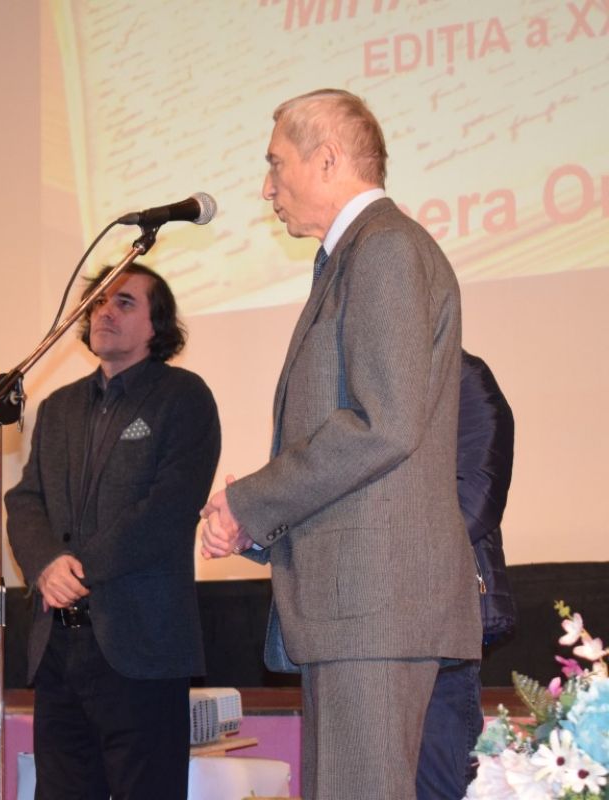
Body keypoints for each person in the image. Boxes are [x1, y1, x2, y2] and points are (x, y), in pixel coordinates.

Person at [199, 89, 482, 799]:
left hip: (373, 604)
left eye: (276, 164)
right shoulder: (357, 256)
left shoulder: (385, 249)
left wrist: (251, 502)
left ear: (326, 159)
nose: (267, 188)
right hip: (353, 607)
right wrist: (255, 521)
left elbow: (383, 423)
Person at [6, 264, 221, 799]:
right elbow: (25, 499)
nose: (105, 311)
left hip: (141, 646)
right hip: (59, 647)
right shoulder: (58, 407)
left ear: (157, 325)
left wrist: (77, 569)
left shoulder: (183, 397)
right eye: (98, 301)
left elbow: (168, 509)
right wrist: (45, 566)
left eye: (124, 302)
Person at [416, 350, 516, 800]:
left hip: (445, 618)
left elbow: (479, 496)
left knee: (440, 779)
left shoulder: (463, 377)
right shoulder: (370, 379)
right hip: (376, 628)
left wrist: (388, 556)